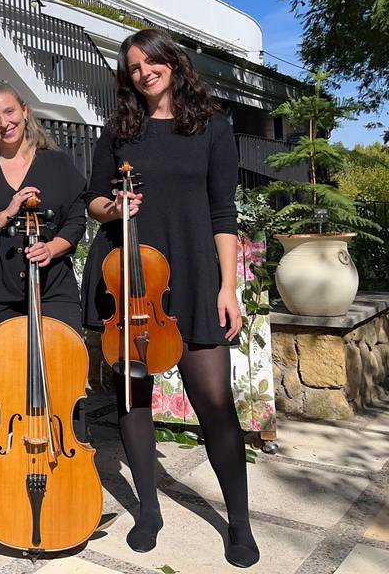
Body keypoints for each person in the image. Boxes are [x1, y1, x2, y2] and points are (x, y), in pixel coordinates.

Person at [80, 28, 258, 567]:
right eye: (133, 67)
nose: (144, 72)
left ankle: (239, 522)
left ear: (172, 63)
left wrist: (229, 287)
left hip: (197, 275)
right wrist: (113, 210)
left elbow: (223, 215)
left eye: (151, 62)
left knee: (215, 403)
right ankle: (149, 512)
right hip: (131, 280)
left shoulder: (212, 128)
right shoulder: (118, 131)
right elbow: (93, 200)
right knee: (135, 396)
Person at [0, 80, 89, 342]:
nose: (4, 123)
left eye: (9, 112)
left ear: (24, 111)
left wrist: (51, 249)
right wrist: (5, 215)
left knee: (61, 370)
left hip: (52, 289)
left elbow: (75, 220)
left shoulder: (57, 163)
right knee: (10, 380)